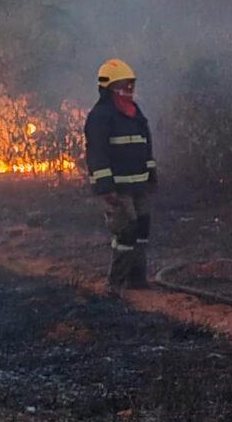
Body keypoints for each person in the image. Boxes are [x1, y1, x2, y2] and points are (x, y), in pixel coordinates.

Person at [84, 59, 157, 294]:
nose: (129, 91)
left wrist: (151, 173)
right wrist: (106, 187)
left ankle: (137, 279)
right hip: (118, 189)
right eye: (125, 86)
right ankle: (115, 284)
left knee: (142, 229)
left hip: (138, 185)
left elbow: (146, 145)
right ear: (110, 88)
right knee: (126, 232)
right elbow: (97, 154)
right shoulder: (100, 116)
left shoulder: (135, 113)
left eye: (131, 86)